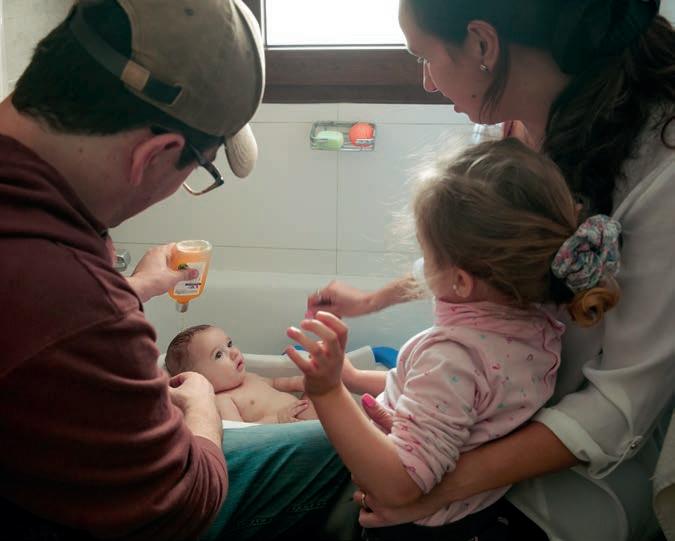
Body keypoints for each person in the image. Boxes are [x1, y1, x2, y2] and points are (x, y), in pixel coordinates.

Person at [307, 1, 675, 539]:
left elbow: (618, 407)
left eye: (424, 58)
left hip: (574, 478)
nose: (427, 82)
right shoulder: (510, 121)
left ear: (483, 44)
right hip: (485, 424)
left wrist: (429, 487)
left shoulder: (662, 169)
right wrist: (374, 300)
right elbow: (478, 255)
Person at [0, 1, 349, 540]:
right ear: (156, 153)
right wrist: (203, 408)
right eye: (200, 169)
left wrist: (133, 288)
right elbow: (179, 508)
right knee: (346, 447)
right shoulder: (74, 300)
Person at [289, 138, 621, 539]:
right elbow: (458, 403)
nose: (421, 269)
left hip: (409, 527)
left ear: (461, 281)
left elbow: (398, 485)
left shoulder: (453, 356)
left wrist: (327, 392)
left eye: (427, 256)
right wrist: (356, 378)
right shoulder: (537, 324)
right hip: (473, 514)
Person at [166, 324, 318, 423]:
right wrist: (277, 419)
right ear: (198, 378)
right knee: (323, 399)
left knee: (321, 387)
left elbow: (278, 383)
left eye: (229, 344)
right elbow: (242, 433)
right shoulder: (223, 401)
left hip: (302, 411)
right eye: (219, 355)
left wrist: (302, 382)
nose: (233, 352)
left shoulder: (248, 377)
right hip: (292, 425)